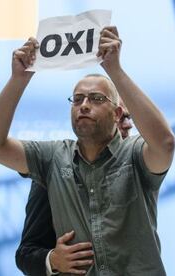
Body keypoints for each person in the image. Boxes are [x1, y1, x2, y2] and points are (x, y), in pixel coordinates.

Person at [0, 26, 175, 276]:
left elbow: (165, 143)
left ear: (117, 114)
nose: (84, 105)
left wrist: (114, 69)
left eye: (96, 99)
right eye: (78, 99)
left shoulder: (136, 154)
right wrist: (18, 79)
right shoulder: (52, 157)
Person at [16, 103, 133, 276]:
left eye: (129, 117)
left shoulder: (137, 167)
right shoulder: (54, 171)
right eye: (120, 116)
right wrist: (52, 260)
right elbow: (25, 254)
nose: (128, 124)